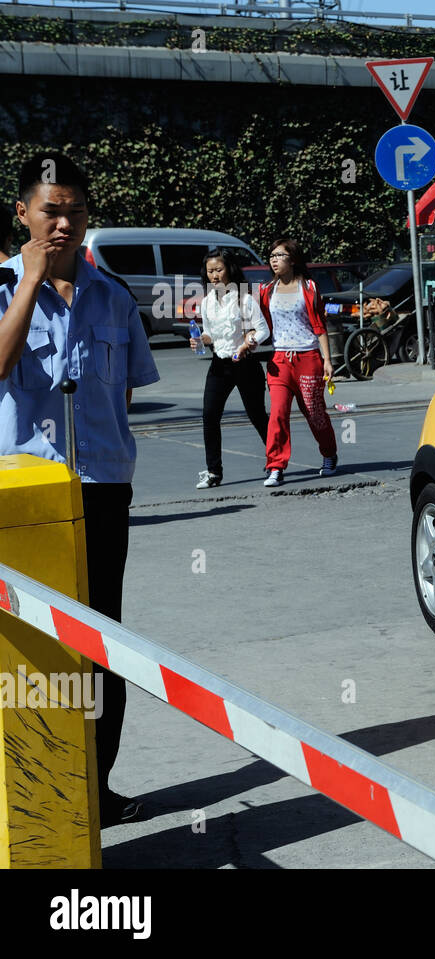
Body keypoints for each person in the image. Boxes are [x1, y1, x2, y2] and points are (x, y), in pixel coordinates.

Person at [0, 153, 160, 824]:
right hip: (23, 496)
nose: (63, 223)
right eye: (50, 211)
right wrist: (31, 281)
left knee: (99, 642)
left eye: (75, 211)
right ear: (22, 214)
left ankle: (93, 787)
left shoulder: (112, 295)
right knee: (24, 646)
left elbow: (127, 390)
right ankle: (27, 794)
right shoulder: (2, 284)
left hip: (100, 490)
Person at [258, 237, 337, 487]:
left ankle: (329, 454)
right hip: (280, 359)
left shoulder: (309, 287)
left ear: (292, 259)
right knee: (278, 413)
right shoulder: (266, 291)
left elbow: (319, 326)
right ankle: (276, 466)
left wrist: (327, 360)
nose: (274, 260)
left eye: (279, 255)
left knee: (314, 413)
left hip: (308, 359)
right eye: (271, 256)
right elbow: (261, 324)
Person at [191, 248, 270, 488]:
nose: (214, 275)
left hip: (244, 363)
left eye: (219, 270)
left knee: (256, 414)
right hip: (219, 363)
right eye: (210, 271)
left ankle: (275, 461)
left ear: (230, 270)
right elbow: (209, 334)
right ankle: (214, 472)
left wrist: (248, 344)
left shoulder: (245, 299)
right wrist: (199, 340)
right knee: (209, 416)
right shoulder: (206, 302)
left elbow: (263, 330)